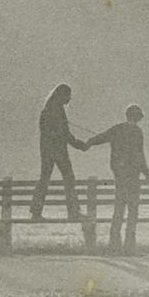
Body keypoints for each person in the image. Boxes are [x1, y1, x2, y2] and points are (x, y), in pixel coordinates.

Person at [85, 104, 149, 254]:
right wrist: (146, 173)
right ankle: (130, 246)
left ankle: (114, 245)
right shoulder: (137, 132)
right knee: (133, 210)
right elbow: (140, 155)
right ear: (138, 118)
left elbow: (101, 137)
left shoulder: (117, 129)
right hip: (133, 176)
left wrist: (89, 142)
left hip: (119, 175)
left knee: (119, 209)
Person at [30, 83, 87, 221]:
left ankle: (36, 212)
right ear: (62, 95)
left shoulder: (48, 109)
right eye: (68, 95)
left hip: (46, 150)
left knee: (44, 179)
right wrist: (79, 145)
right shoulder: (57, 110)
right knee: (69, 179)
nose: (70, 98)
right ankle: (73, 212)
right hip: (59, 150)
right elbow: (64, 133)